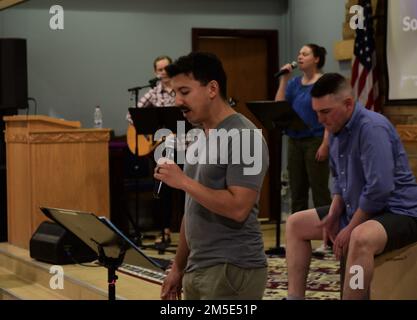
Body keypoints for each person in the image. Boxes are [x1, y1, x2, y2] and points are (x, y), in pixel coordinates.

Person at [285, 73, 417, 300]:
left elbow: (380, 189)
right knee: (296, 223)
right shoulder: (336, 129)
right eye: (317, 113)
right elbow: (340, 180)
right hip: (359, 207)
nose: (320, 120)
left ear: (348, 104)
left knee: (359, 236)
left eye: (325, 112)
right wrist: (335, 213)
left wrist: (350, 226)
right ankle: (294, 297)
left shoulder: (372, 128)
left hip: (399, 211)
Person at [155, 52, 269, 300]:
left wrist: (183, 181)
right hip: (198, 269)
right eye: (175, 93)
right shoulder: (198, 138)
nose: (177, 101)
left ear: (212, 89)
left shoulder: (244, 137)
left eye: (184, 92)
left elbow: (239, 207)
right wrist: (177, 268)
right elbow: (192, 208)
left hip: (233, 269)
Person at [275, 44, 331, 215]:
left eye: (305, 54)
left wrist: (325, 144)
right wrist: (284, 79)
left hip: (315, 140)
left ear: (316, 59)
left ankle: (328, 236)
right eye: (299, 54)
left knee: (319, 190)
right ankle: (298, 235)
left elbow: (329, 115)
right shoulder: (293, 83)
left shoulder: (324, 82)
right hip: (295, 140)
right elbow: (279, 106)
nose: (300, 57)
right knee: (297, 191)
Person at [126, 55, 175, 245]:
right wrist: (152, 131)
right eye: (159, 70)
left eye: (166, 69)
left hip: (183, 145)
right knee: (164, 190)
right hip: (161, 147)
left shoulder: (181, 91)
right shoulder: (153, 93)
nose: (163, 72)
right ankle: (165, 231)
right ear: (155, 72)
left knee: (187, 188)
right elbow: (132, 116)